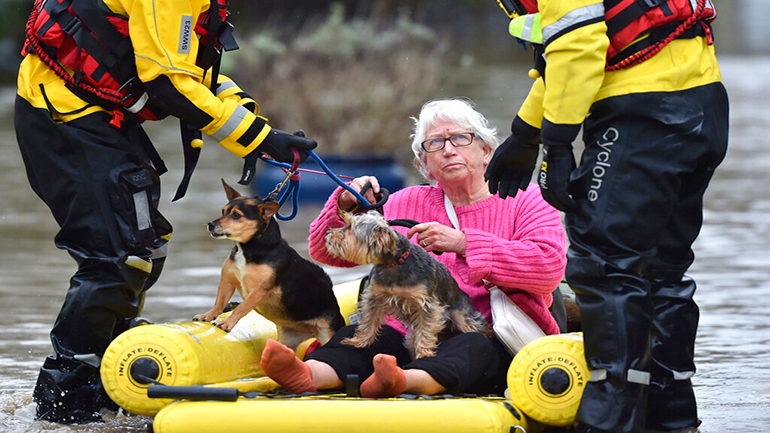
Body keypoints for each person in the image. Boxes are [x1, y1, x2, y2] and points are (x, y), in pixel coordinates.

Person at [15, 0, 317, 424]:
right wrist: (260, 141)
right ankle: (63, 400)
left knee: (146, 247)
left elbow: (194, 74)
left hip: (99, 121)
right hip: (64, 120)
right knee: (117, 256)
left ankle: (110, 376)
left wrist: (261, 128)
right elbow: (168, 87)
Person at [485, 1, 728, 432]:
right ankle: (671, 413)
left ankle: (610, 416)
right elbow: (571, 53)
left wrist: (557, 145)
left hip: (642, 113)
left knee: (607, 264)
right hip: (699, 104)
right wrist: (526, 132)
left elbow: (579, 45)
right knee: (661, 271)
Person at [259, 98, 566, 398]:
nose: (448, 150)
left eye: (460, 138)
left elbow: (549, 268)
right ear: (425, 164)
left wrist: (463, 243)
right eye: (435, 144)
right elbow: (325, 253)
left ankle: (399, 381)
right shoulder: (406, 202)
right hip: (407, 332)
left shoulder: (528, 199)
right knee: (365, 337)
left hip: (490, 332)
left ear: (486, 151)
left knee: (470, 346)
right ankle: (308, 375)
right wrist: (344, 203)